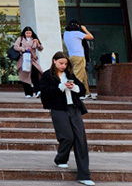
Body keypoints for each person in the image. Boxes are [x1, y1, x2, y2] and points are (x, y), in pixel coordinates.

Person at [40, 51, 94, 186]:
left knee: (81, 140)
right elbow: (45, 94)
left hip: (74, 109)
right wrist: (60, 87)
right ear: (54, 61)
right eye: (61, 63)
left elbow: (82, 90)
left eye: (65, 64)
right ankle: (61, 158)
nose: (63, 66)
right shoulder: (47, 76)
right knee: (68, 137)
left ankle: (84, 175)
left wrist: (74, 87)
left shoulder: (69, 75)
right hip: (58, 110)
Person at [63, 20, 94, 99]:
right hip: (79, 56)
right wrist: (84, 29)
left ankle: (87, 93)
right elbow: (91, 37)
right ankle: (77, 93)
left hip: (71, 56)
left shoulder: (66, 33)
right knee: (78, 76)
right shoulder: (77, 33)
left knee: (83, 75)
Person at [14, 26, 44, 98]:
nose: (28, 34)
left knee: (35, 75)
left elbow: (40, 48)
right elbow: (15, 47)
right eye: (27, 33)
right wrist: (24, 49)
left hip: (33, 60)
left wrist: (38, 43)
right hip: (23, 60)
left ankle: (38, 91)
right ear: (24, 33)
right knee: (25, 76)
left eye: (30, 33)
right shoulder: (20, 39)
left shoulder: (34, 39)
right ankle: (28, 93)